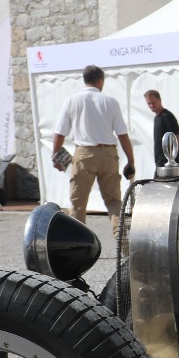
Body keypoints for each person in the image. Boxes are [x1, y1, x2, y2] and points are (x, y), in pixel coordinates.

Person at [50, 65, 136, 233]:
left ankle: (78, 244)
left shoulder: (71, 100)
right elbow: (122, 135)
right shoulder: (110, 101)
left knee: (78, 203)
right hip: (108, 153)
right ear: (100, 81)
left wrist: (55, 156)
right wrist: (131, 161)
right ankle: (122, 244)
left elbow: (59, 133)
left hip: (84, 153)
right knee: (113, 201)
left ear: (85, 80)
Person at [144, 89, 179, 170]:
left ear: (159, 100)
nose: (151, 105)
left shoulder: (167, 116)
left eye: (153, 103)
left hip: (168, 163)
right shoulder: (157, 118)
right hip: (160, 162)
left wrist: (177, 154)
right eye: (149, 103)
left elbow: (177, 137)